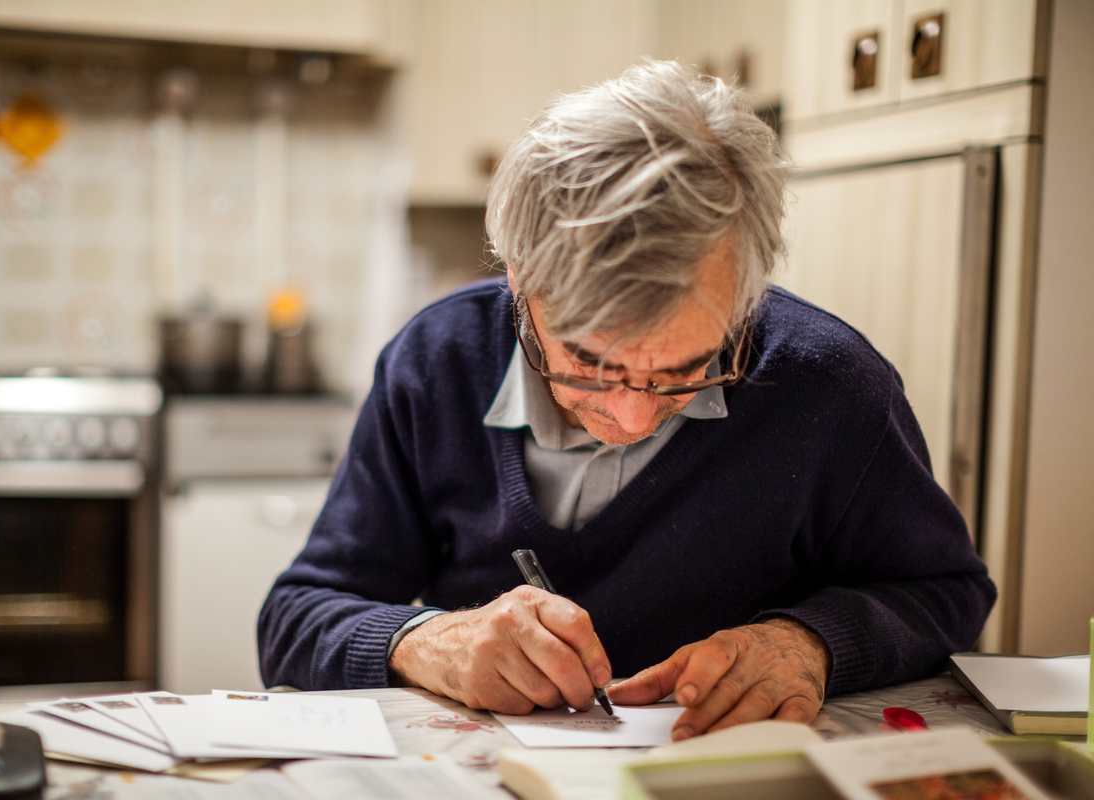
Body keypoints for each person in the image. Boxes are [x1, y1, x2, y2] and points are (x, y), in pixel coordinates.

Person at [258, 61, 995, 740]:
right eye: (587, 362)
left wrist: (809, 642)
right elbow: (293, 620)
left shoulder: (832, 386)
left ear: (743, 297)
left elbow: (947, 595)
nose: (634, 419)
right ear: (520, 280)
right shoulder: (436, 361)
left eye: (687, 367)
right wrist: (426, 642)